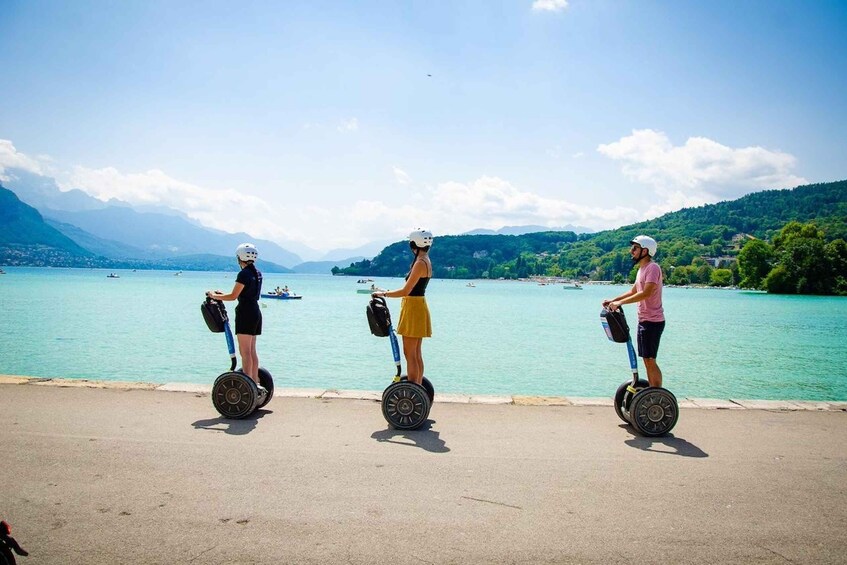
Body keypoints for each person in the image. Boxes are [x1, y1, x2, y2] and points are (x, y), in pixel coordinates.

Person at [602, 235, 665, 388]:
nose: (632, 251)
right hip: (644, 320)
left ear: (645, 250)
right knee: (646, 359)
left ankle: (657, 394)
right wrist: (613, 300)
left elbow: (646, 293)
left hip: (653, 321)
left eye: (635, 248)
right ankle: (652, 391)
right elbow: (634, 291)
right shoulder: (641, 270)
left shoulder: (652, 268)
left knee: (650, 359)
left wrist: (620, 303)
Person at [372, 228, 433, 386]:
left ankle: (414, 389)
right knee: (416, 353)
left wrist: (383, 293)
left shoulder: (420, 263)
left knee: (410, 353)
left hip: (413, 308)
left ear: (414, 244)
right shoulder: (426, 259)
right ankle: (418, 386)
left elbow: (406, 290)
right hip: (418, 306)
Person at [207, 243, 263, 386]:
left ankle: (248, 385)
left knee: (245, 352)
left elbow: (233, 296)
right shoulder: (257, 273)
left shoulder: (244, 273)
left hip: (245, 313)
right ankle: (254, 382)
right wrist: (220, 295)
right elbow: (244, 292)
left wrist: (214, 295)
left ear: (239, 257)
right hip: (255, 312)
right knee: (251, 351)